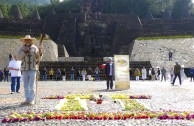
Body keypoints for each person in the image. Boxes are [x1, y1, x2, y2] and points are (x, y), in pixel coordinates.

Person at [17, 35, 43, 105]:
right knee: (25, 85)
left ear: (31, 41)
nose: (28, 41)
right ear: (24, 41)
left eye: (29, 40)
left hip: (33, 68)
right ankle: (27, 99)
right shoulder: (21, 48)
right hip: (24, 68)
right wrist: (24, 52)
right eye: (26, 40)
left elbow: (38, 58)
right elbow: (18, 58)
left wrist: (40, 53)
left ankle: (32, 99)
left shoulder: (35, 48)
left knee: (32, 84)